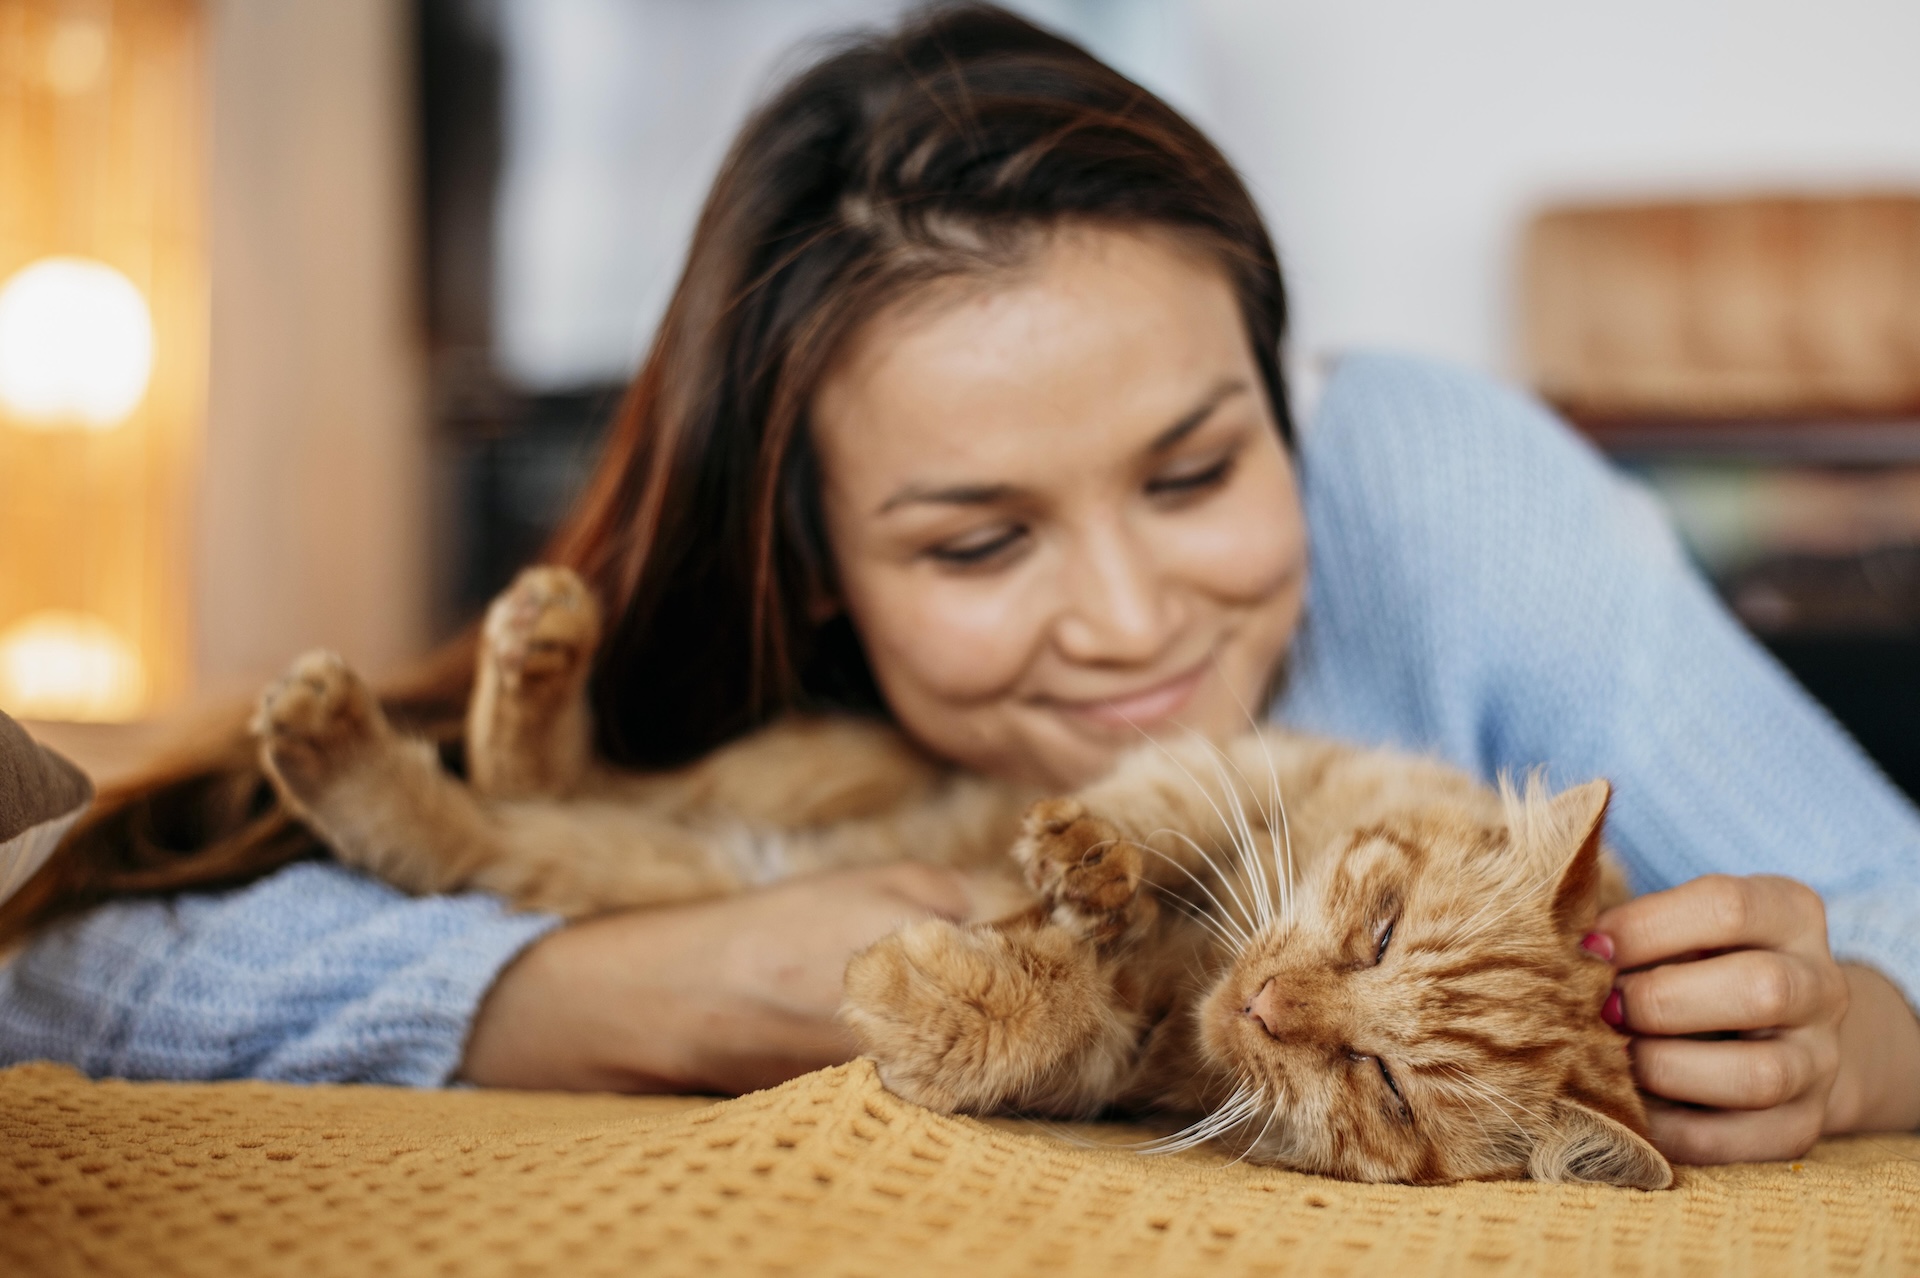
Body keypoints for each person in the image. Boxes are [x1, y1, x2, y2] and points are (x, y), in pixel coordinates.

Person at [2, 4, 1916, 1166]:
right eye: (979, 541)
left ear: (1282, 392)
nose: (1129, 618)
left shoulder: (1433, 478)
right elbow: (64, 970)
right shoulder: (717, 672)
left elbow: (1891, 908)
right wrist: (647, 990)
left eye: (1196, 468)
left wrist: (1849, 1038)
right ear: (809, 565)